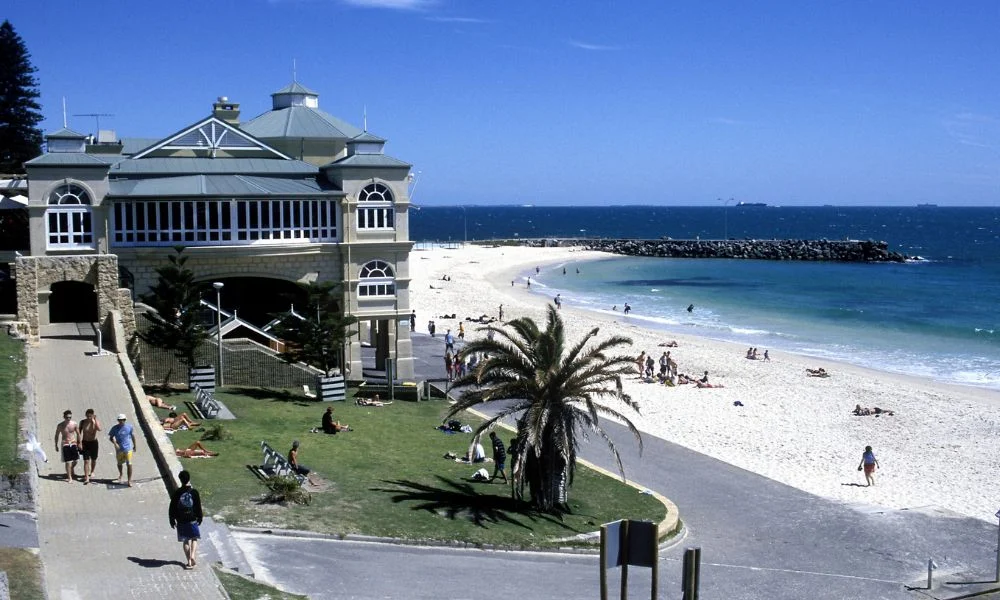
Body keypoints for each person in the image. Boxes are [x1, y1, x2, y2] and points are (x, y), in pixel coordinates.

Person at [168, 470, 203, 570]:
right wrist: (200, 517)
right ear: (189, 479)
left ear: (180, 480)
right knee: (194, 538)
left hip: (181, 520)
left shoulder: (177, 493)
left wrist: (172, 519)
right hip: (192, 519)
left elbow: (172, 507)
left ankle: (188, 562)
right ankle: (193, 556)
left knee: (186, 541)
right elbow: (198, 506)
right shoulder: (194, 492)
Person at [108, 414, 137, 487]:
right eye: (120, 420)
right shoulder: (114, 428)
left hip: (128, 449)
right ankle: (121, 474)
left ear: (125, 420)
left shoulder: (129, 427)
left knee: (129, 464)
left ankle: (129, 480)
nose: (121, 421)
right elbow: (111, 437)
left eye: (123, 420)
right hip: (119, 450)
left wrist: (135, 446)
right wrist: (115, 443)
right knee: (119, 463)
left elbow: (132, 436)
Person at [54, 409, 80, 483]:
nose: (68, 419)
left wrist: (79, 443)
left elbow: (78, 434)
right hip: (65, 443)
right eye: (67, 417)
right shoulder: (60, 425)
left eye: (70, 417)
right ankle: (69, 477)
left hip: (73, 442)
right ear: (64, 417)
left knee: (76, 460)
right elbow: (56, 435)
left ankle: (71, 470)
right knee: (68, 462)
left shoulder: (74, 424)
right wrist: (56, 445)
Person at [79, 408, 102, 484]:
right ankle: (86, 477)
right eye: (87, 416)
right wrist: (79, 443)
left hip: (93, 443)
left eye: (90, 416)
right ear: (86, 415)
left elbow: (99, 429)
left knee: (93, 459)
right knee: (86, 461)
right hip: (85, 442)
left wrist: (94, 421)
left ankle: (92, 471)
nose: (89, 418)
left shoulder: (95, 421)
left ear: (93, 415)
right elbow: (79, 433)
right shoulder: (82, 422)